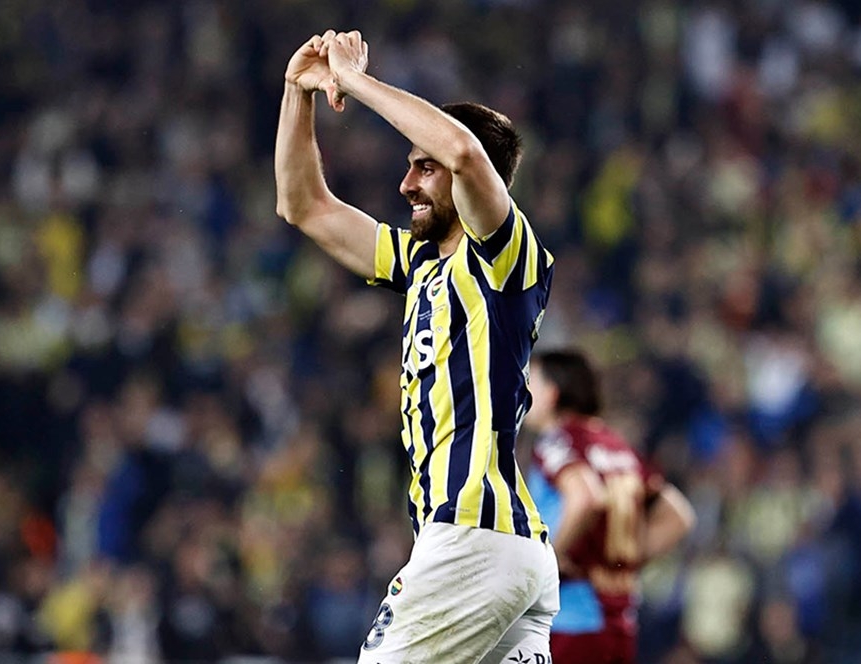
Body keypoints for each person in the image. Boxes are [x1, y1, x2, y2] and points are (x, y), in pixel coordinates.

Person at [275, 29, 559, 663]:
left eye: (422, 167)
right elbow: (304, 206)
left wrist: (355, 81)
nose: (406, 184)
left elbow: (463, 152)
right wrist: (299, 93)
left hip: (471, 539)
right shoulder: (420, 263)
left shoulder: (506, 259)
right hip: (506, 551)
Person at [524, 349, 696, 664]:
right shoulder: (616, 447)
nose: (522, 390)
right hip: (620, 620)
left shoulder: (558, 442)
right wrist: (619, 564)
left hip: (572, 618)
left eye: (530, 381)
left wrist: (550, 560)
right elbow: (678, 517)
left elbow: (585, 497)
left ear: (552, 393)